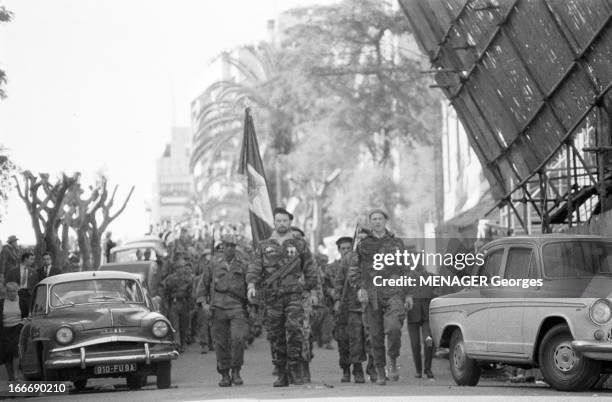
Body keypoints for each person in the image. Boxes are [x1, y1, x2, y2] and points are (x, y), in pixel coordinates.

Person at [247, 207, 318, 387]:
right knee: (276, 335)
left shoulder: (299, 244)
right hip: (272, 298)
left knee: (294, 331)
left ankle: (295, 369)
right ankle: (281, 372)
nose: (282, 224)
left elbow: (310, 268)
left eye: (285, 221)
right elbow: (255, 268)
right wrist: (251, 285)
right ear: (274, 222)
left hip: (294, 296)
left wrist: (311, 289)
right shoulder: (264, 246)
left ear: (290, 222)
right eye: (278, 221)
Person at [348, 209, 412, 385]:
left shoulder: (397, 243)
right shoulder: (363, 244)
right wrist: (359, 288)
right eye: (374, 219)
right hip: (371, 293)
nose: (377, 221)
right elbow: (354, 269)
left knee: (393, 328)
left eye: (380, 218)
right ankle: (380, 369)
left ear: (386, 220)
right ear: (370, 222)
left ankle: (392, 360)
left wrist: (409, 294)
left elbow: (406, 269)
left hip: (394, 291)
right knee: (374, 335)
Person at [200, 235, 249, 387]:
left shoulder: (243, 265)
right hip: (218, 308)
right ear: (222, 246)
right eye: (227, 245)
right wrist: (203, 304)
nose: (230, 248)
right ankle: (224, 373)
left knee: (238, 339)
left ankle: (236, 371)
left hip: (237, 307)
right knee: (220, 343)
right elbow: (203, 284)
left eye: (233, 246)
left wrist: (252, 304)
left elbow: (250, 285)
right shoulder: (213, 264)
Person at [406, 261, 436, 379]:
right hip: (412, 315)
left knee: (428, 341)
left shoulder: (431, 277)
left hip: (427, 316)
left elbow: (438, 292)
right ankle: (418, 370)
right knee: (415, 344)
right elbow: (401, 294)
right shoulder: (406, 278)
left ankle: (427, 369)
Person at [161, 262, 192, 352]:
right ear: (175, 269)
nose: (180, 269)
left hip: (184, 304)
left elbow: (191, 293)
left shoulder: (188, 279)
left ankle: (182, 343)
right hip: (174, 303)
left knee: (184, 326)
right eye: (178, 267)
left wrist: (190, 305)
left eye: (181, 267)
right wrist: (166, 305)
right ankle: (177, 344)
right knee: (175, 326)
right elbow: (165, 292)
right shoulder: (170, 279)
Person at [0, 282, 29, 380]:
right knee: (6, 353)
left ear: (17, 291)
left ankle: (16, 374)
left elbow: (28, 316)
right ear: (6, 292)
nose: (11, 293)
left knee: (16, 351)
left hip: (18, 328)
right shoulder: (1, 303)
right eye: (9, 291)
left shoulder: (23, 302)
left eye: (13, 291)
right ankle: (10, 376)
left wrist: (23, 322)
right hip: (4, 330)